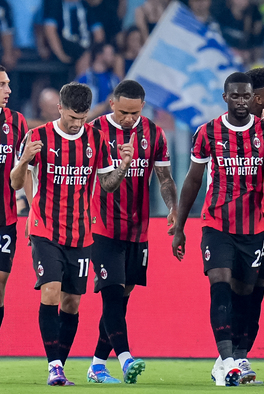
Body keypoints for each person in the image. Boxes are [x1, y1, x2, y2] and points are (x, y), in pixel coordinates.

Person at [10, 82, 133, 386]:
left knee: (71, 304)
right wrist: (24, 159)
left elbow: (106, 184)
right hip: (44, 227)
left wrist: (124, 166)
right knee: (50, 291)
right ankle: (53, 366)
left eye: (82, 118)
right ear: (60, 108)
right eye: (71, 118)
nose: (76, 124)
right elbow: (15, 183)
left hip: (80, 233)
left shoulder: (97, 139)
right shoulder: (38, 137)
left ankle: (59, 368)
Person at [172, 72, 264, 387]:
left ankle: (236, 356)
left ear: (253, 97)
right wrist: (179, 226)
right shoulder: (207, 132)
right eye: (234, 96)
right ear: (225, 97)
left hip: (255, 226)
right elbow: (193, 179)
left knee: (248, 295)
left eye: (245, 96)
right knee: (219, 284)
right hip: (217, 223)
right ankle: (227, 362)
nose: (240, 101)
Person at [86, 80, 177, 384]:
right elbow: (97, 182)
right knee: (111, 295)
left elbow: (164, 179)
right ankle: (126, 360)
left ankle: (97, 364)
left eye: (134, 113)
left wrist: (174, 208)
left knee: (120, 301)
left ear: (142, 106)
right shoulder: (95, 131)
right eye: (123, 112)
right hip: (102, 227)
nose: (128, 119)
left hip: (138, 231)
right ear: (112, 103)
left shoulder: (153, 133)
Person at [225, 67, 264, 384]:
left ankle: (241, 355)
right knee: (237, 290)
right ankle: (229, 356)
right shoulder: (231, 132)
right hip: (235, 224)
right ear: (257, 97)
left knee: (257, 292)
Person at [0, 65, 28, 333]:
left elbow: (25, 170)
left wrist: (31, 211)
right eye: (1, 85)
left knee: (0, 280)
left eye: (7, 84)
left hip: (5, 217)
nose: (8, 90)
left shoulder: (17, 121)